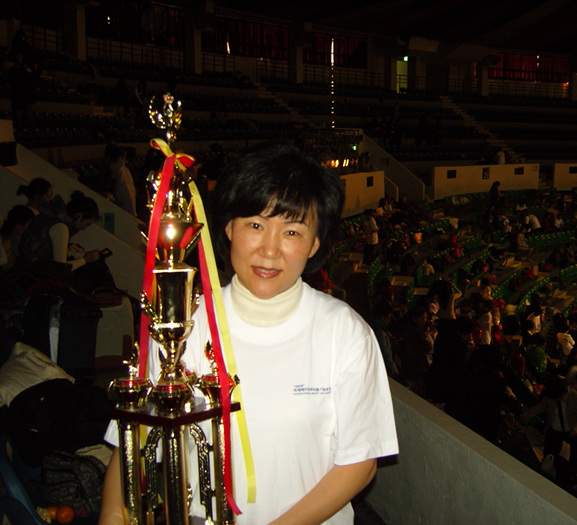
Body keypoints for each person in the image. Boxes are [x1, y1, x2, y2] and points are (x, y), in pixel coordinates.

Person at [100, 143, 398, 524]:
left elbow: (360, 462)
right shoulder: (182, 326)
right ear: (228, 227)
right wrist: (113, 515)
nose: (269, 250)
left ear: (315, 244)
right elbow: (133, 445)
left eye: (292, 231)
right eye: (255, 225)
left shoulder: (346, 334)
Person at [106, 144, 137, 216]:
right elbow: (122, 157)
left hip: (128, 193)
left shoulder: (124, 168)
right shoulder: (116, 167)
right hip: (122, 193)